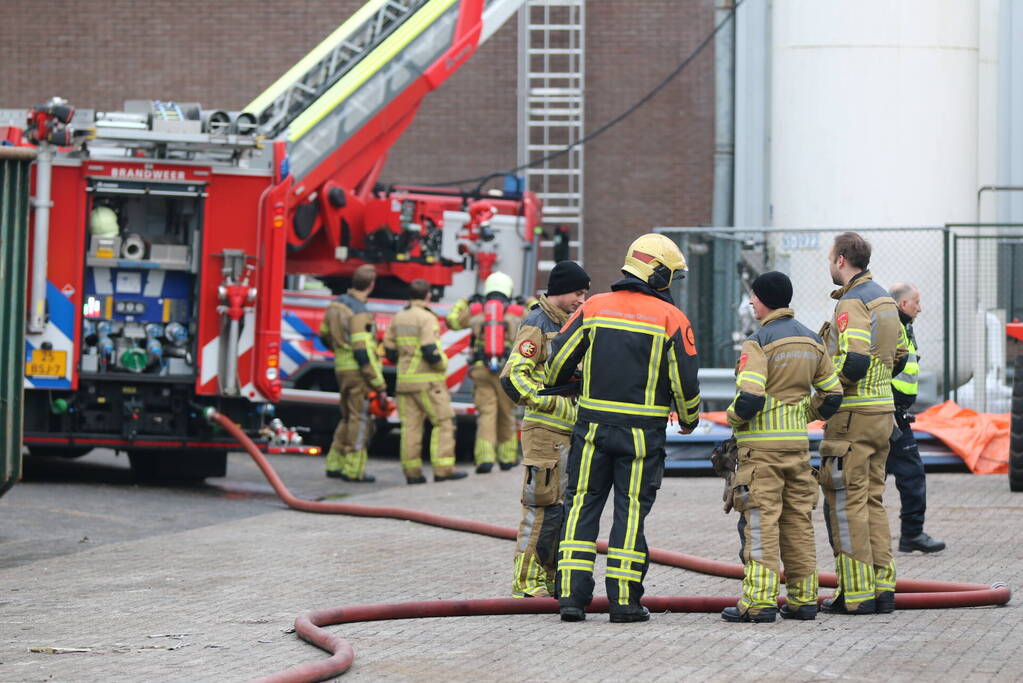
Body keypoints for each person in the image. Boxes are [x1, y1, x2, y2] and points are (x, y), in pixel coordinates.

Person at [546, 233, 701, 624]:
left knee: (581, 506)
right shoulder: (672, 319)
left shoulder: (594, 307)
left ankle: (571, 599)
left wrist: (568, 381)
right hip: (642, 436)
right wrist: (689, 419)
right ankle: (624, 601)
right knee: (630, 513)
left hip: (592, 429)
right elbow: (685, 381)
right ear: (658, 273)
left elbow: (558, 360)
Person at [720, 272, 844, 623]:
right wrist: (805, 413)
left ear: (763, 300)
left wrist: (732, 418)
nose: (751, 302)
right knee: (798, 524)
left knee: (761, 523)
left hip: (761, 453)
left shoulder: (758, 342)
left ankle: (759, 603)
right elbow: (833, 395)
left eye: (754, 297)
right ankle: (804, 601)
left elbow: (749, 398)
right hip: (798, 450)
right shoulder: (812, 340)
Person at [818, 232, 907, 615]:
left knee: (847, 503)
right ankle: (883, 588)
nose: (829, 264)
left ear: (841, 259)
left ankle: (855, 595)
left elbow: (854, 359)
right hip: (883, 415)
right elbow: (901, 355)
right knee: (872, 500)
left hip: (852, 418)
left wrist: (828, 393)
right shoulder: (885, 299)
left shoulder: (852, 301)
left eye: (830, 258)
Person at [500, 261, 591, 598]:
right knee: (540, 508)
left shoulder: (572, 323)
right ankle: (526, 582)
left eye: (585, 294)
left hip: (569, 434)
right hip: (545, 433)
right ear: (558, 291)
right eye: (577, 293)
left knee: (562, 510)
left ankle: (551, 578)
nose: (581, 300)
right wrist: (549, 403)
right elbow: (513, 376)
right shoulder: (538, 323)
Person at [383, 278, 468, 484]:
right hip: (428, 381)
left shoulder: (399, 317)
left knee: (410, 427)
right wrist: (442, 364)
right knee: (444, 422)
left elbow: (389, 351)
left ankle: (412, 474)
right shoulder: (427, 317)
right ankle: (443, 470)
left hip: (404, 381)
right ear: (428, 295)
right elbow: (430, 349)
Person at [887, 282, 946, 553]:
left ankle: (910, 535)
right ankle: (910, 534)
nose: (920, 309)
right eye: (916, 303)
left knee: (907, 476)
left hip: (895, 414)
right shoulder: (891, 328)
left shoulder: (903, 327)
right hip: (888, 415)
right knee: (910, 474)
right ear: (903, 304)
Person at [447, 272, 523, 473]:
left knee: (486, 414)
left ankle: (485, 459)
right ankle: (507, 458)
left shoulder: (476, 311)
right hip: (506, 370)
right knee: (507, 413)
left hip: (481, 369)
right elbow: (538, 314)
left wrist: (464, 302)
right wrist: (527, 301)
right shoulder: (516, 311)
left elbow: (452, 321)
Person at [320, 264, 387, 482]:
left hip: (341, 367)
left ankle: (334, 463)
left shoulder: (336, 305)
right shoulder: (360, 312)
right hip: (357, 372)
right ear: (371, 285)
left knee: (347, 416)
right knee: (360, 420)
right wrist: (378, 383)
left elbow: (323, 334)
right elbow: (362, 352)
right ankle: (353, 470)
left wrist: (340, 351)